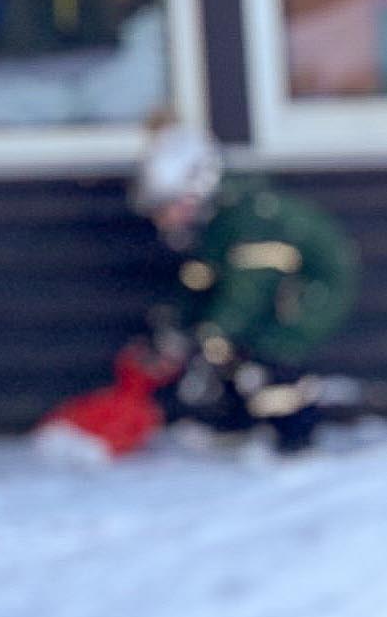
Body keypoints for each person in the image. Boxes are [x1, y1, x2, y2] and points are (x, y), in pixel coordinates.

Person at [132, 123, 359, 453]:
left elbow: (250, 289)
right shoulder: (212, 222)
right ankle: (237, 421)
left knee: (270, 346)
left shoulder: (250, 216)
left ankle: (294, 435)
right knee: (223, 344)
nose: (163, 220)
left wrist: (210, 333)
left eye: (167, 207)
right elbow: (200, 280)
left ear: (194, 192)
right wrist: (179, 326)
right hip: (266, 288)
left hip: (310, 288)